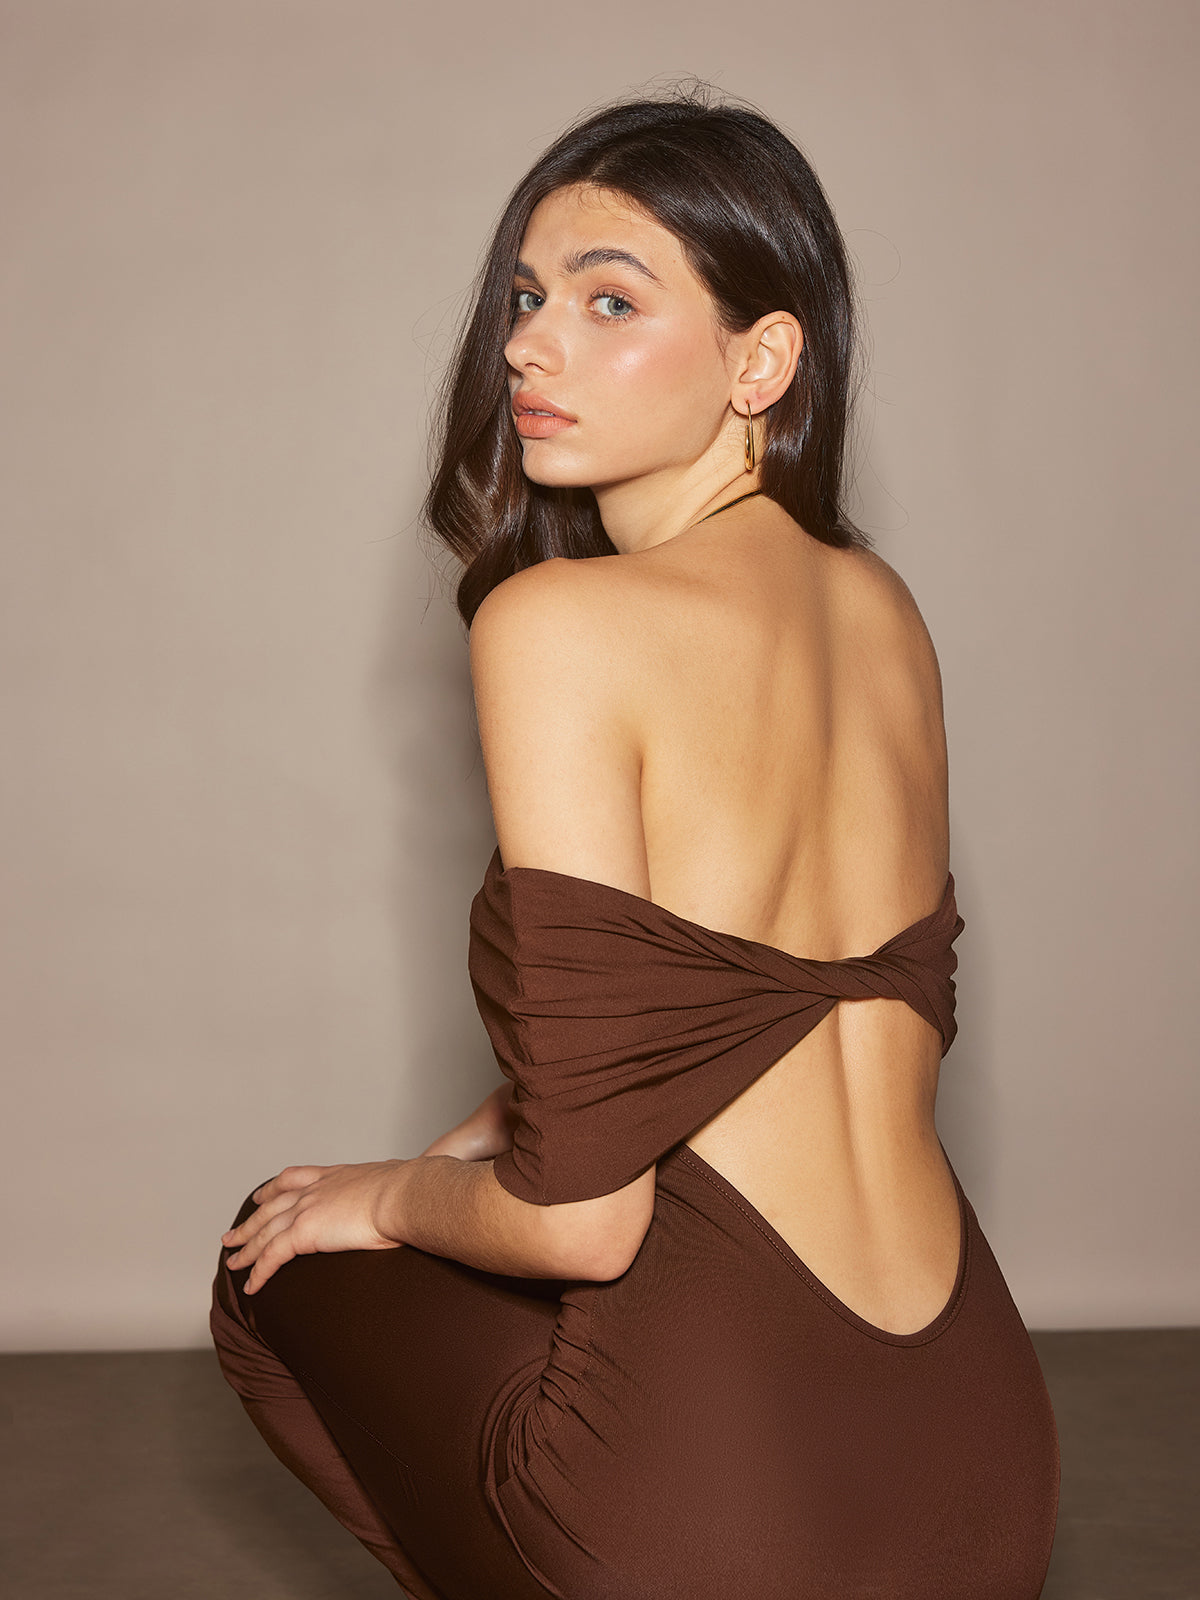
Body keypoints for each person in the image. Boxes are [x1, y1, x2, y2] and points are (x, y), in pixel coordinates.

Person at [211, 87, 1060, 1599]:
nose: (531, 347)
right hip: (982, 1473)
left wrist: (384, 1197)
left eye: (610, 301)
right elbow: (746, 996)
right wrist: (464, 1140)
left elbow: (583, 1222)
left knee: (266, 1263)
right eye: (525, 300)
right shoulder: (882, 612)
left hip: (716, 1522)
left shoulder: (558, 625)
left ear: (762, 360)